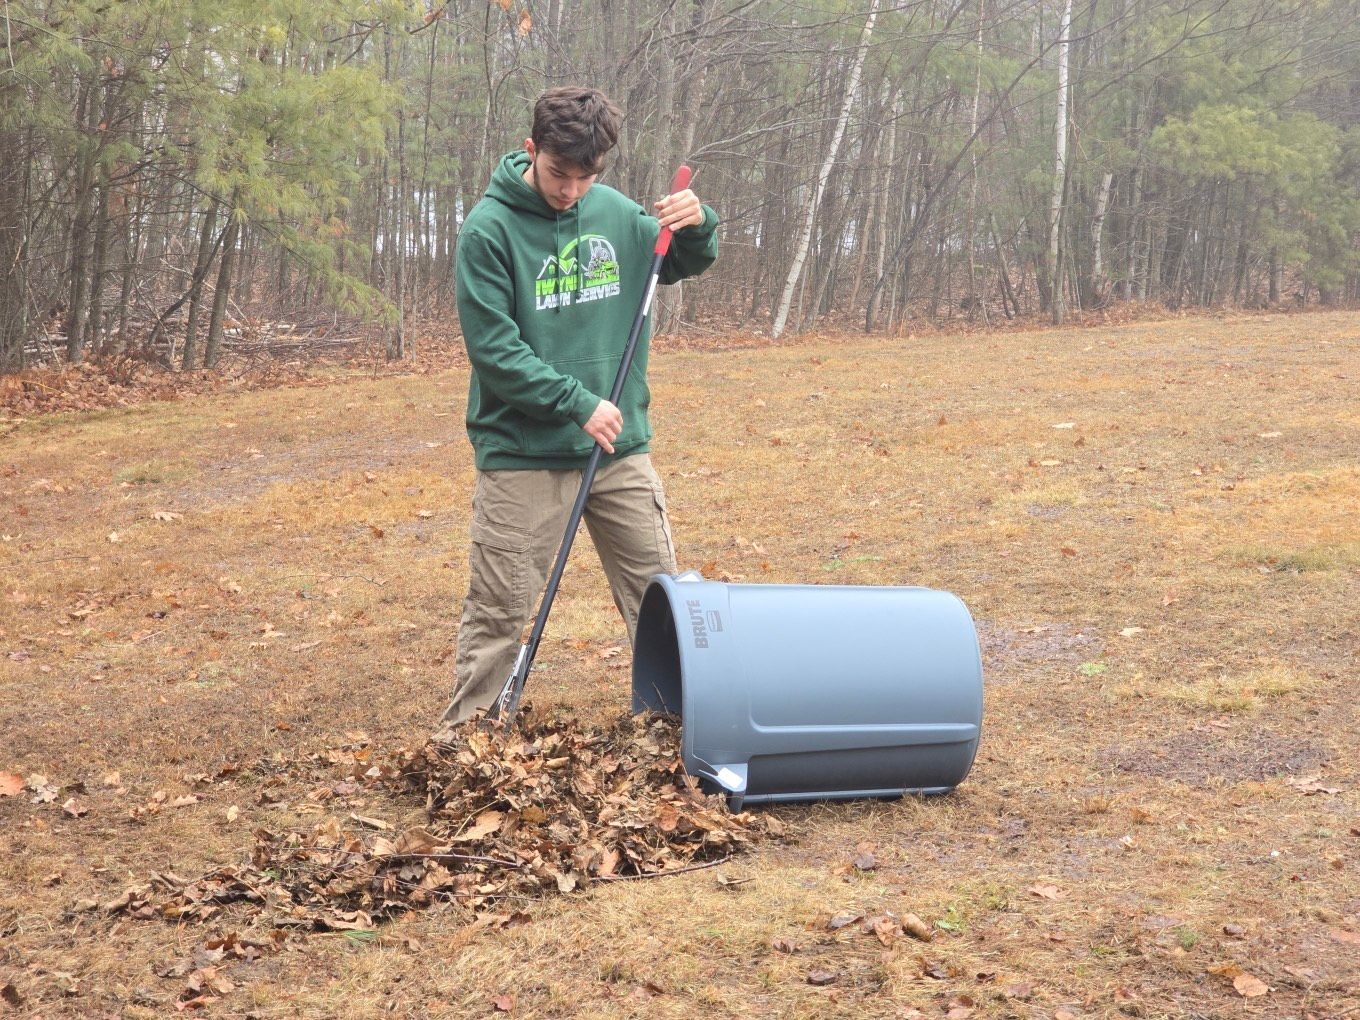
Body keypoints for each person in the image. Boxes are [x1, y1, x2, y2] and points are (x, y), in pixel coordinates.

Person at [434, 87, 719, 735]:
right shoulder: (489, 230)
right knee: (501, 609)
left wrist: (699, 222)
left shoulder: (616, 216)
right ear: (533, 151)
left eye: (586, 177)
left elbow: (682, 260)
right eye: (560, 173)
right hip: (524, 452)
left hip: (619, 448)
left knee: (660, 600)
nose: (571, 190)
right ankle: (469, 745)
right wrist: (573, 402)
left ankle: (681, 728)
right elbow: (495, 351)